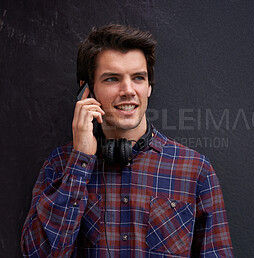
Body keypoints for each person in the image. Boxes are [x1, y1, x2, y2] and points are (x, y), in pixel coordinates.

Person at [21, 24, 233, 257]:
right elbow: (37, 254)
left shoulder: (195, 170)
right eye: (112, 79)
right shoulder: (60, 164)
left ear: (149, 87)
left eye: (138, 78)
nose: (128, 90)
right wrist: (80, 162)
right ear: (87, 92)